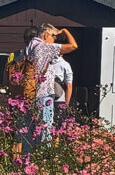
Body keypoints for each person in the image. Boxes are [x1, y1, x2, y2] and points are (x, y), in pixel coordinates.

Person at [19, 23, 78, 153]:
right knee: (45, 130)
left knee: (29, 130)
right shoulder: (44, 47)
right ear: (46, 34)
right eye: (53, 36)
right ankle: (43, 160)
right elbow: (73, 46)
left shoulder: (28, 47)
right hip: (43, 94)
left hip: (29, 94)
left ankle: (27, 161)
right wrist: (65, 30)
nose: (55, 39)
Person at [51, 54, 73, 127]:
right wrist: (66, 104)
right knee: (58, 127)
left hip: (45, 97)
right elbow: (69, 85)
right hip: (59, 98)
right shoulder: (65, 64)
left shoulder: (44, 62)